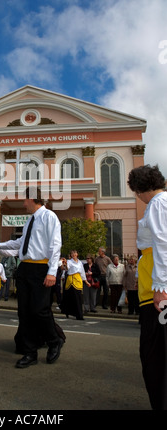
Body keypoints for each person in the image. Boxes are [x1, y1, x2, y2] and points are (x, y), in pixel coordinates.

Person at [0, 187, 63, 368]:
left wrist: (52, 272)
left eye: (25, 199)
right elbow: (19, 244)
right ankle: (30, 352)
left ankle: (54, 340)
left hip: (41, 268)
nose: (23, 203)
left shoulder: (49, 216)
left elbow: (55, 244)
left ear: (33, 199)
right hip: (25, 268)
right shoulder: (29, 221)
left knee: (40, 310)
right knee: (24, 312)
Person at [127, 164, 167, 410]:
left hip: (158, 292)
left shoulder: (158, 204)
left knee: (156, 356)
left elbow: (163, 244)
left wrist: (161, 287)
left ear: (141, 188)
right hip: (155, 286)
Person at [60, 250, 90, 320]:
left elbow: (82, 273)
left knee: (78, 297)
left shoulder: (80, 262)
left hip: (78, 280)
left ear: (77, 254)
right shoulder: (69, 262)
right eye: (72, 253)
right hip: (71, 280)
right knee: (74, 297)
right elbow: (67, 268)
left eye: (75, 253)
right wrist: (64, 264)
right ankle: (78, 314)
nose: (74, 254)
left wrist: (86, 282)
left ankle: (77, 313)